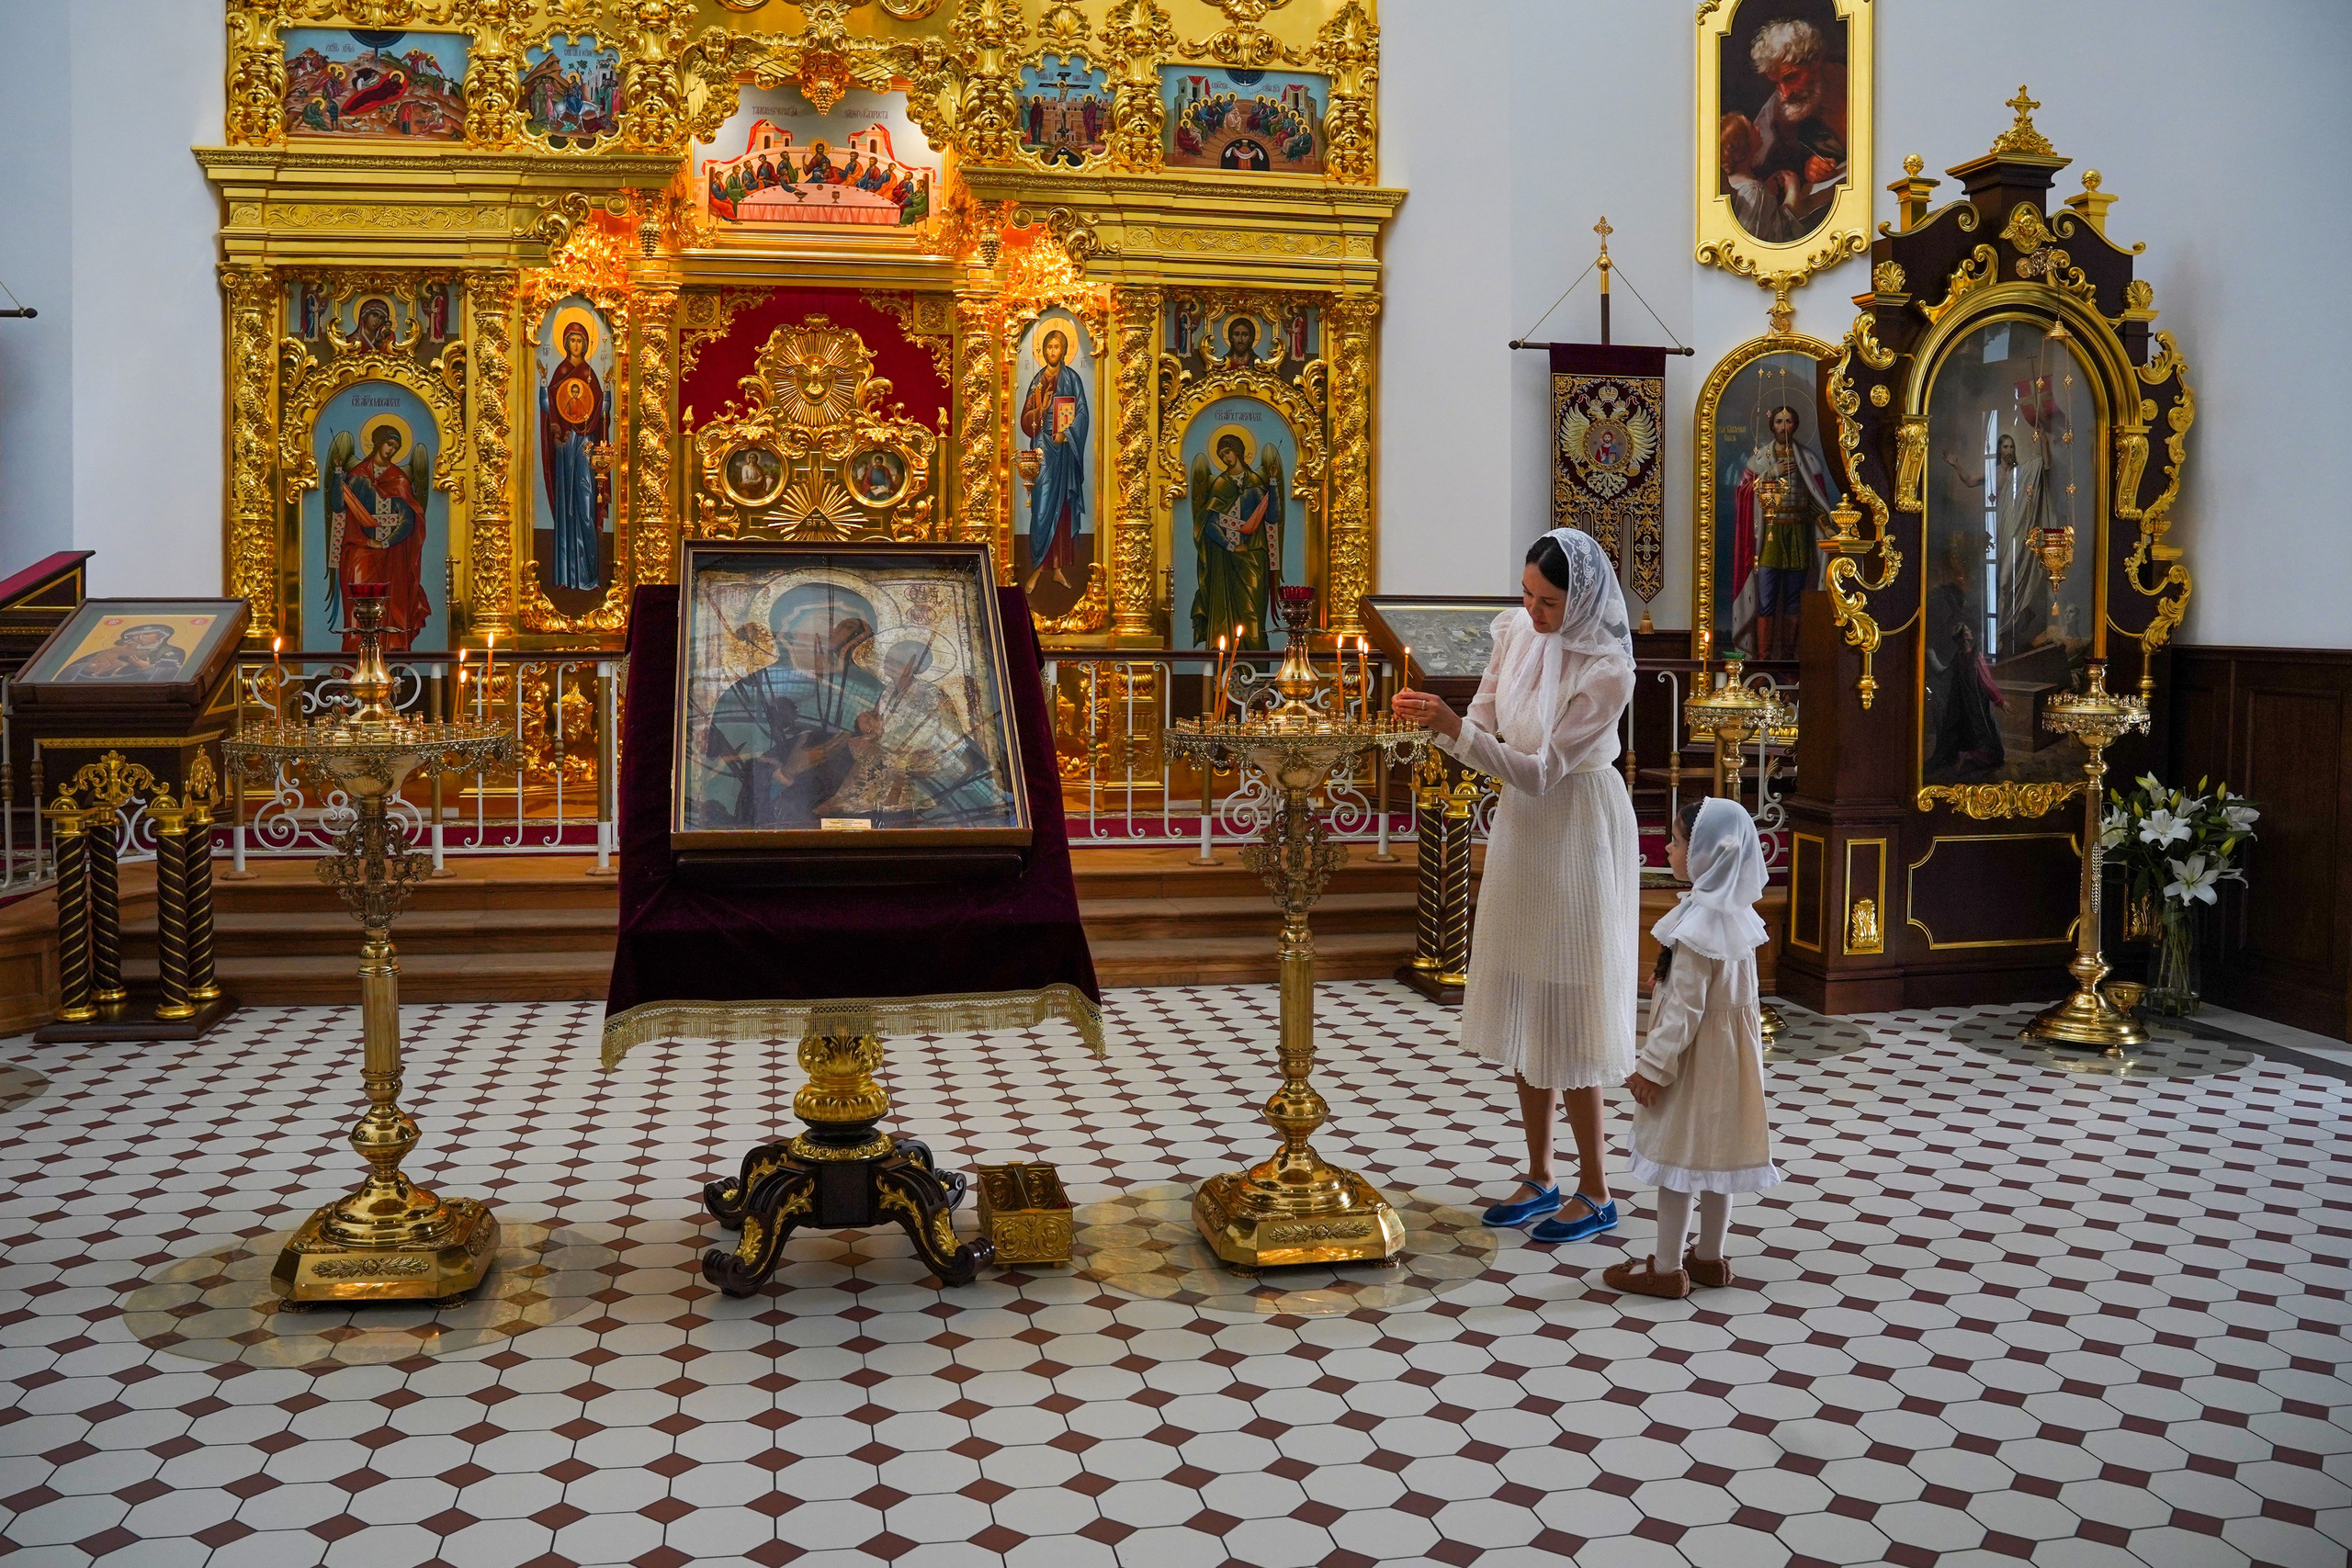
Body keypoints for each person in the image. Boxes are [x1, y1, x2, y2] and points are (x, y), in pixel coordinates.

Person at [1392, 528, 1641, 1245]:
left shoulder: (1607, 670)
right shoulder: (1516, 631)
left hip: (1578, 823)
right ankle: (1540, 1172)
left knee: (1571, 993)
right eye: (1527, 594)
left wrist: (1454, 731)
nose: (1532, 611)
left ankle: (1596, 1188)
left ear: (1583, 598)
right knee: (1529, 986)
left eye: (1549, 602)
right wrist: (1445, 725)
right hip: (1524, 830)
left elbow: (1538, 769)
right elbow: (1483, 722)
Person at [1605, 797, 1781, 1299]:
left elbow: (1684, 1011)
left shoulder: (1700, 927)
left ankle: (1664, 1268)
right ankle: (1708, 1258)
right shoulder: (1736, 916)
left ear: (1709, 854)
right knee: (1717, 1163)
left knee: (1679, 1163)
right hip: (1731, 1064)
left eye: (1679, 842)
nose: (1670, 848)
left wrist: (1652, 1069)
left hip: (1694, 1065)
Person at [1728, 403, 1840, 660]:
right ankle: (1763, 660)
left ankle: (1789, 660)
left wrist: (1827, 527)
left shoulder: (1807, 460)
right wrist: (1770, 473)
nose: (1783, 426)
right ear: (1772, 425)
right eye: (1779, 421)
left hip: (1799, 538)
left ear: (1795, 425)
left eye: (1788, 421)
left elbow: (1815, 501)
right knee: (1766, 600)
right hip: (1770, 539)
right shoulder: (1759, 460)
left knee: (1793, 601)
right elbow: (1743, 493)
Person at [1019, 327, 1091, 595]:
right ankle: (1037, 568)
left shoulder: (1072, 379)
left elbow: (1082, 413)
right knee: (1042, 506)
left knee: (1062, 509)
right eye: (1048, 347)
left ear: (1063, 351)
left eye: (1057, 347)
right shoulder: (1037, 381)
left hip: (1065, 450)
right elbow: (1028, 421)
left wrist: (1067, 433)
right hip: (1042, 449)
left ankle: (1058, 568)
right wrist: (1043, 407)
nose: (1052, 352)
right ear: (1043, 351)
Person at [540, 319, 608, 592]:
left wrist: (606, 402)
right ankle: (567, 576)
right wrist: (546, 399)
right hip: (566, 446)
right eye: (572, 340)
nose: (576, 345)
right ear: (566, 343)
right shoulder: (560, 372)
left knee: (587, 503)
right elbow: (550, 411)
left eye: (581, 340)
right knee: (567, 508)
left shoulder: (590, 373)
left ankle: (589, 574)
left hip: (586, 445)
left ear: (586, 344)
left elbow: (600, 411)